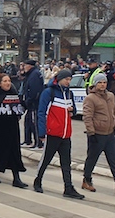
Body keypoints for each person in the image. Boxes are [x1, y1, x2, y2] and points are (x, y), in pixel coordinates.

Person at [33, 69, 84, 199]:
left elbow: (73, 111)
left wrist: (73, 110)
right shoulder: (49, 93)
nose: (68, 82)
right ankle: (38, 180)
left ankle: (68, 187)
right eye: (66, 79)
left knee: (66, 162)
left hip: (66, 134)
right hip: (53, 133)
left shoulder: (69, 93)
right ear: (60, 79)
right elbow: (42, 113)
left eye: (70, 79)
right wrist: (42, 132)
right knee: (46, 159)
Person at [81, 74, 115, 195]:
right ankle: (87, 179)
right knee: (92, 158)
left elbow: (114, 112)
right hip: (97, 134)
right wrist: (91, 132)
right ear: (95, 84)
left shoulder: (110, 96)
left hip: (109, 133)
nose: (102, 85)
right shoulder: (91, 98)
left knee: (114, 159)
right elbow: (87, 116)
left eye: (104, 82)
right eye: (99, 82)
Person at [0, 75, 28, 188]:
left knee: (14, 152)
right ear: (0, 83)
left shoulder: (14, 95)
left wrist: (23, 104)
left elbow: (20, 110)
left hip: (12, 128)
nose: (7, 83)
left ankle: (16, 178)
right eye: (5, 81)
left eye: (9, 81)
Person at [20, 60, 44, 149]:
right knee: (28, 121)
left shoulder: (34, 75)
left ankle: (39, 143)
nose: (23, 67)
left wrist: (29, 100)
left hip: (34, 104)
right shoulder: (31, 74)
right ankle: (28, 140)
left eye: (24, 65)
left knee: (34, 123)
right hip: (31, 103)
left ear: (29, 66)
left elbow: (35, 90)